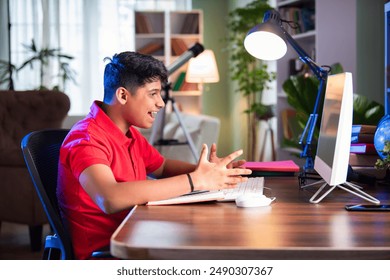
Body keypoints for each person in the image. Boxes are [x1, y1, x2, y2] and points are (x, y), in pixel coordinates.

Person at [57, 51, 252, 260]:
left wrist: (211, 172)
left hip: (139, 232)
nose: (161, 103)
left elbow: (162, 167)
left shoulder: (128, 133)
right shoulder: (86, 139)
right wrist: (195, 180)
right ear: (123, 95)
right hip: (110, 252)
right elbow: (109, 198)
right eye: (153, 93)